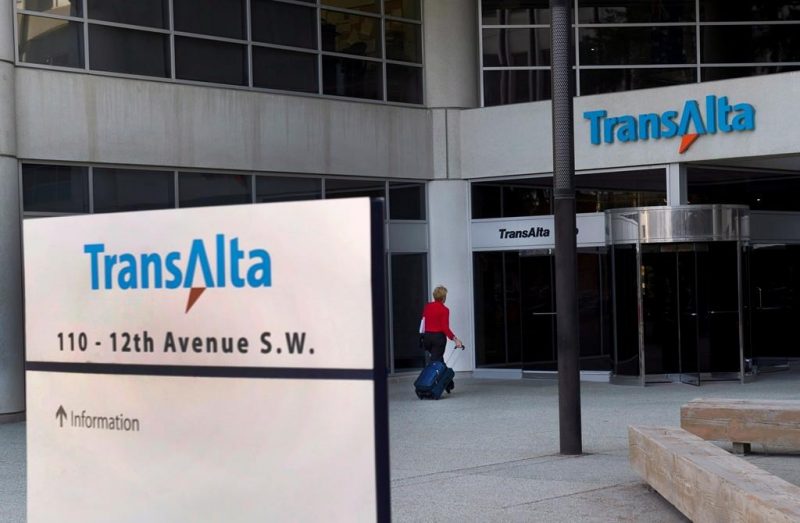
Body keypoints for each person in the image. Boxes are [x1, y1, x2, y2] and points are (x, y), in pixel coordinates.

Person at [421, 286, 464, 390]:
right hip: (438, 338)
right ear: (444, 297)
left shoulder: (427, 306)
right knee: (435, 362)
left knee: (438, 359)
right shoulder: (444, 310)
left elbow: (423, 321)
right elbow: (445, 328)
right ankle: (431, 385)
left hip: (427, 337)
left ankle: (448, 383)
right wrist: (455, 339)